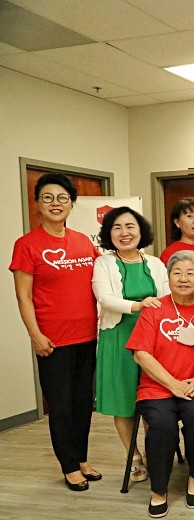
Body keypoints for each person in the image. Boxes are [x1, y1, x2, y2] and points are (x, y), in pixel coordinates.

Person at [10, 173, 101, 491]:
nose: (55, 203)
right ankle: (68, 465)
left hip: (88, 336)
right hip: (52, 341)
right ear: (36, 204)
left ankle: (81, 458)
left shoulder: (84, 242)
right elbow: (23, 295)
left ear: (72, 204)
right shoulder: (26, 245)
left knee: (82, 403)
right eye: (47, 197)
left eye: (62, 198)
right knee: (60, 406)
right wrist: (35, 335)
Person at [126, 250, 194, 517]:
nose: (183, 278)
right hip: (157, 388)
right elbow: (141, 354)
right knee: (162, 425)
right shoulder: (155, 309)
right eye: (177, 273)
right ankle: (159, 489)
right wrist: (173, 384)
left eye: (191, 273)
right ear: (168, 277)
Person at [92, 207, 169, 483]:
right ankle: (133, 455)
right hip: (119, 338)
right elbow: (105, 299)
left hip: (153, 341)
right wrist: (138, 305)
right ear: (108, 234)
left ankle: (154, 449)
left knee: (153, 398)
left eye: (130, 226)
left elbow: (168, 297)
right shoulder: (104, 263)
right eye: (117, 228)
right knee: (124, 401)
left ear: (141, 230)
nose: (124, 233)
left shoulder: (157, 263)